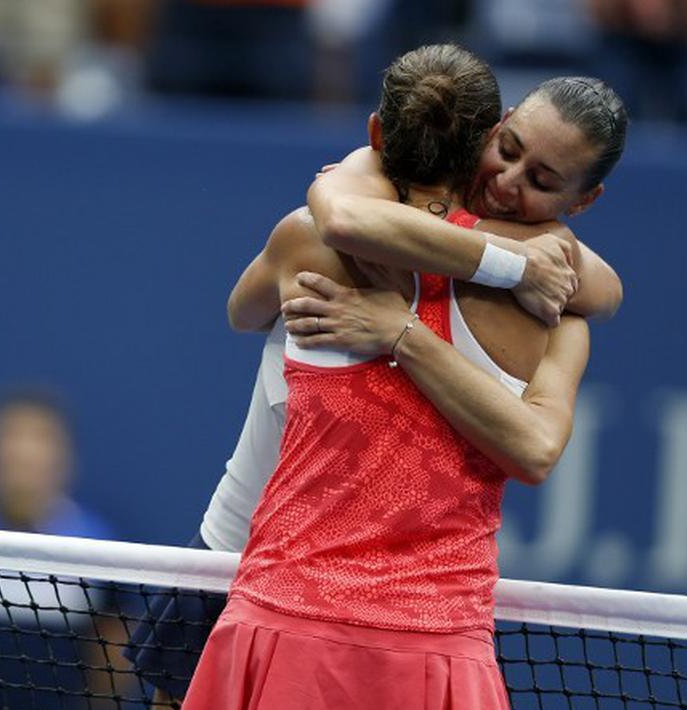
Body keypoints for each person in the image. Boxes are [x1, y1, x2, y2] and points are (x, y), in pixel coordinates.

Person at [126, 64, 630, 709]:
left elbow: (605, 290)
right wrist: (510, 260)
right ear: (492, 129)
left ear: (582, 200)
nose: (507, 182)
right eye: (507, 150)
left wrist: (404, 325)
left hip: (332, 606)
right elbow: (329, 231)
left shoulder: (556, 281)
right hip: (236, 555)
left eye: (541, 181)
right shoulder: (347, 212)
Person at [0, 389, 134, 708]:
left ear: (64, 459)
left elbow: (112, 650)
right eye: (12, 439)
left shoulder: (97, 546)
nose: (24, 453)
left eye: (40, 439)